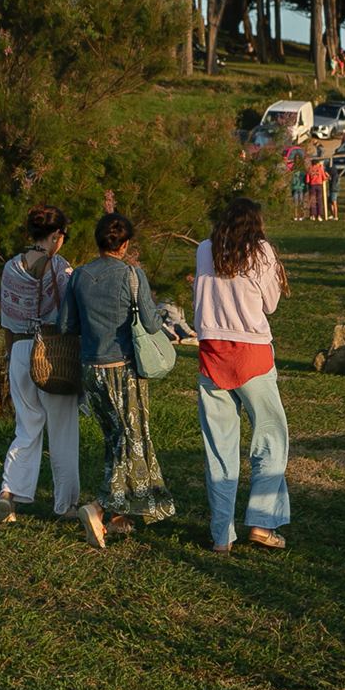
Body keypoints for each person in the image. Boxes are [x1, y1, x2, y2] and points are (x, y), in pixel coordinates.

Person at [59, 213, 176, 547]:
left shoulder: (79, 275)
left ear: (99, 241)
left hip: (90, 370)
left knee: (114, 439)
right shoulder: (131, 274)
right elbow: (152, 325)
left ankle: (118, 516)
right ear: (124, 244)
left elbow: (67, 324)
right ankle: (99, 506)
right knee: (131, 439)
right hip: (122, 369)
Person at [192, 198, 291, 554]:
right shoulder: (261, 251)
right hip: (252, 354)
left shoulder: (205, 249)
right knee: (270, 439)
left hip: (212, 353)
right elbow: (271, 304)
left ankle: (222, 535)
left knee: (219, 449)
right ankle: (263, 524)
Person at [0, 205, 79, 524]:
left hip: (19, 350)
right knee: (63, 432)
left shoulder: (10, 268)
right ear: (56, 236)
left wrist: (9, 357)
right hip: (53, 353)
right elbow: (70, 316)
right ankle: (66, 504)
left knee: (26, 428)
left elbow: (6, 320)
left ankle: (9, 493)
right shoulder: (61, 268)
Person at [304, 156, 330, 222]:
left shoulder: (309, 169)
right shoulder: (320, 169)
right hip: (319, 184)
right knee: (319, 200)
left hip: (312, 185)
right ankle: (319, 215)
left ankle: (313, 215)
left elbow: (307, 180)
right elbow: (323, 177)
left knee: (313, 200)